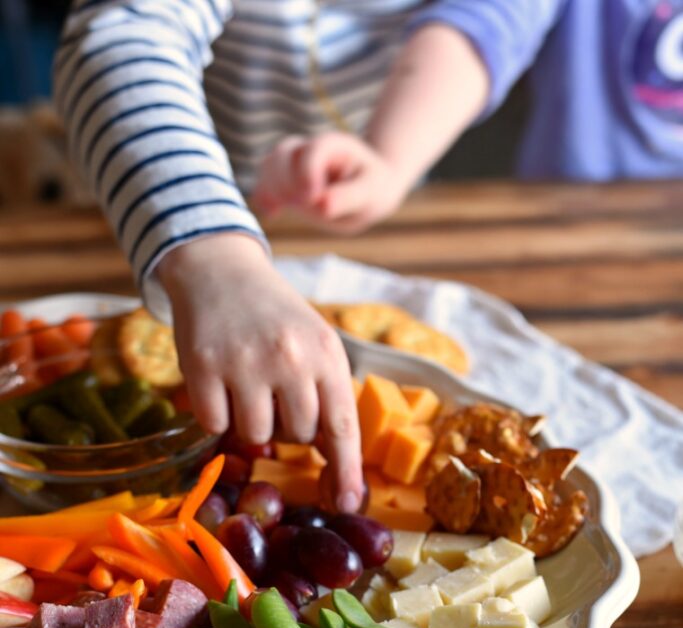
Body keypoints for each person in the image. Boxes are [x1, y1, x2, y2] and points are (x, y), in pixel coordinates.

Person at [54, 1, 683, 512]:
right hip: (158, 209)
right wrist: (214, 259)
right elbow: (123, 32)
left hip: (378, 206)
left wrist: (390, 157)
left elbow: (492, 13)